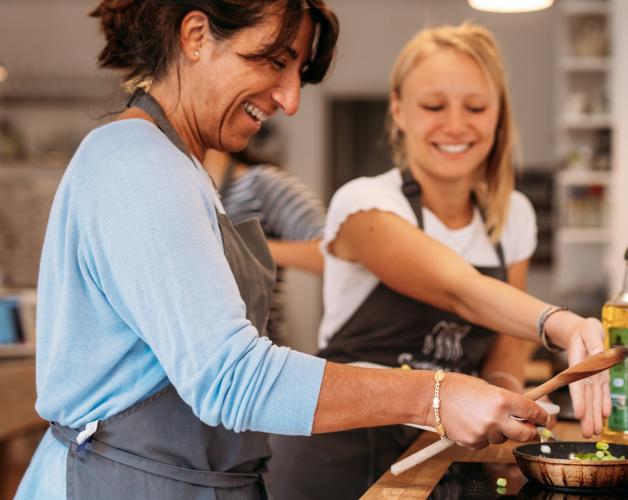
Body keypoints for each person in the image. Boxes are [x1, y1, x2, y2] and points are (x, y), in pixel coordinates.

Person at [14, 4, 550, 500]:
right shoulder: (136, 161)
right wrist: (434, 396)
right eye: (273, 61)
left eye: (297, 75)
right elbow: (233, 378)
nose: (290, 100)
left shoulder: (179, 169)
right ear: (196, 36)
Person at [268, 23, 611, 500]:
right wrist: (563, 324)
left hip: (447, 458)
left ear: (498, 115)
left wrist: (508, 402)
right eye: (433, 106)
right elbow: (459, 289)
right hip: (340, 456)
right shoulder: (363, 204)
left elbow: (505, 355)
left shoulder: (514, 216)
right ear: (398, 109)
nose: (455, 125)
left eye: (475, 107)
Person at [204, 125, 326, 344]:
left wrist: (244, 247)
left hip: (259, 348)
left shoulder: (260, 183)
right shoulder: (179, 194)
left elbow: (331, 253)